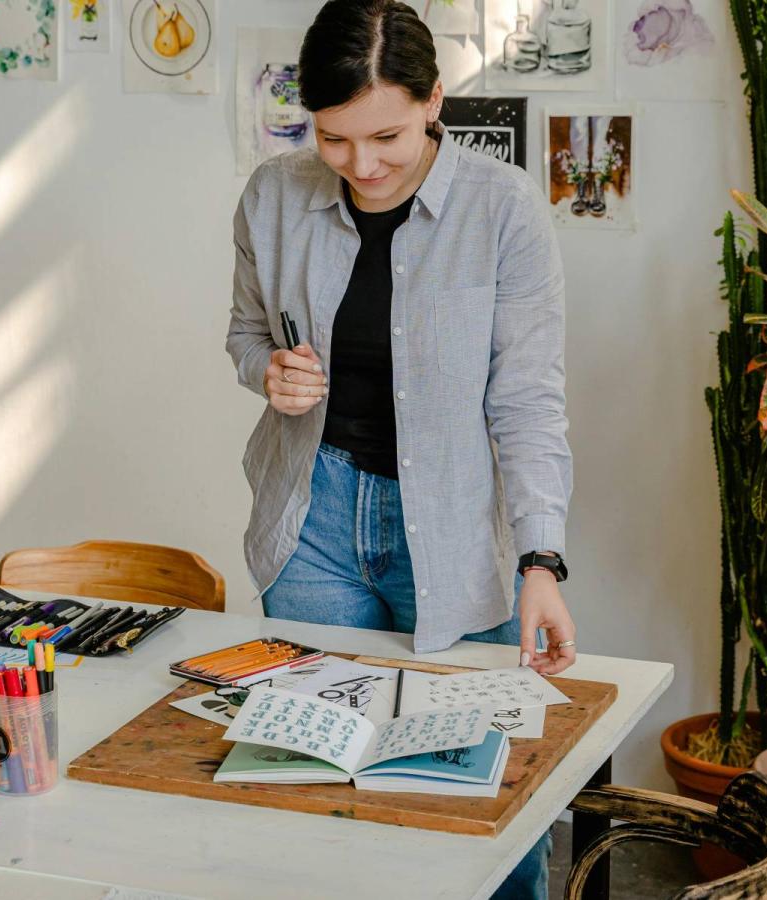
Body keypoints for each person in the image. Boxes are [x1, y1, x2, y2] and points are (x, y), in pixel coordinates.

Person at [226, 2, 576, 895]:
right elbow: (243, 334)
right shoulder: (273, 195)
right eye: (335, 139)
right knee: (314, 788)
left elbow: (528, 398)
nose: (362, 166)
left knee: (480, 802)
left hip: (450, 529)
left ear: (433, 101)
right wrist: (269, 371)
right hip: (312, 519)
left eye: (385, 134)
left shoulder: (503, 211)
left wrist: (541, 559)